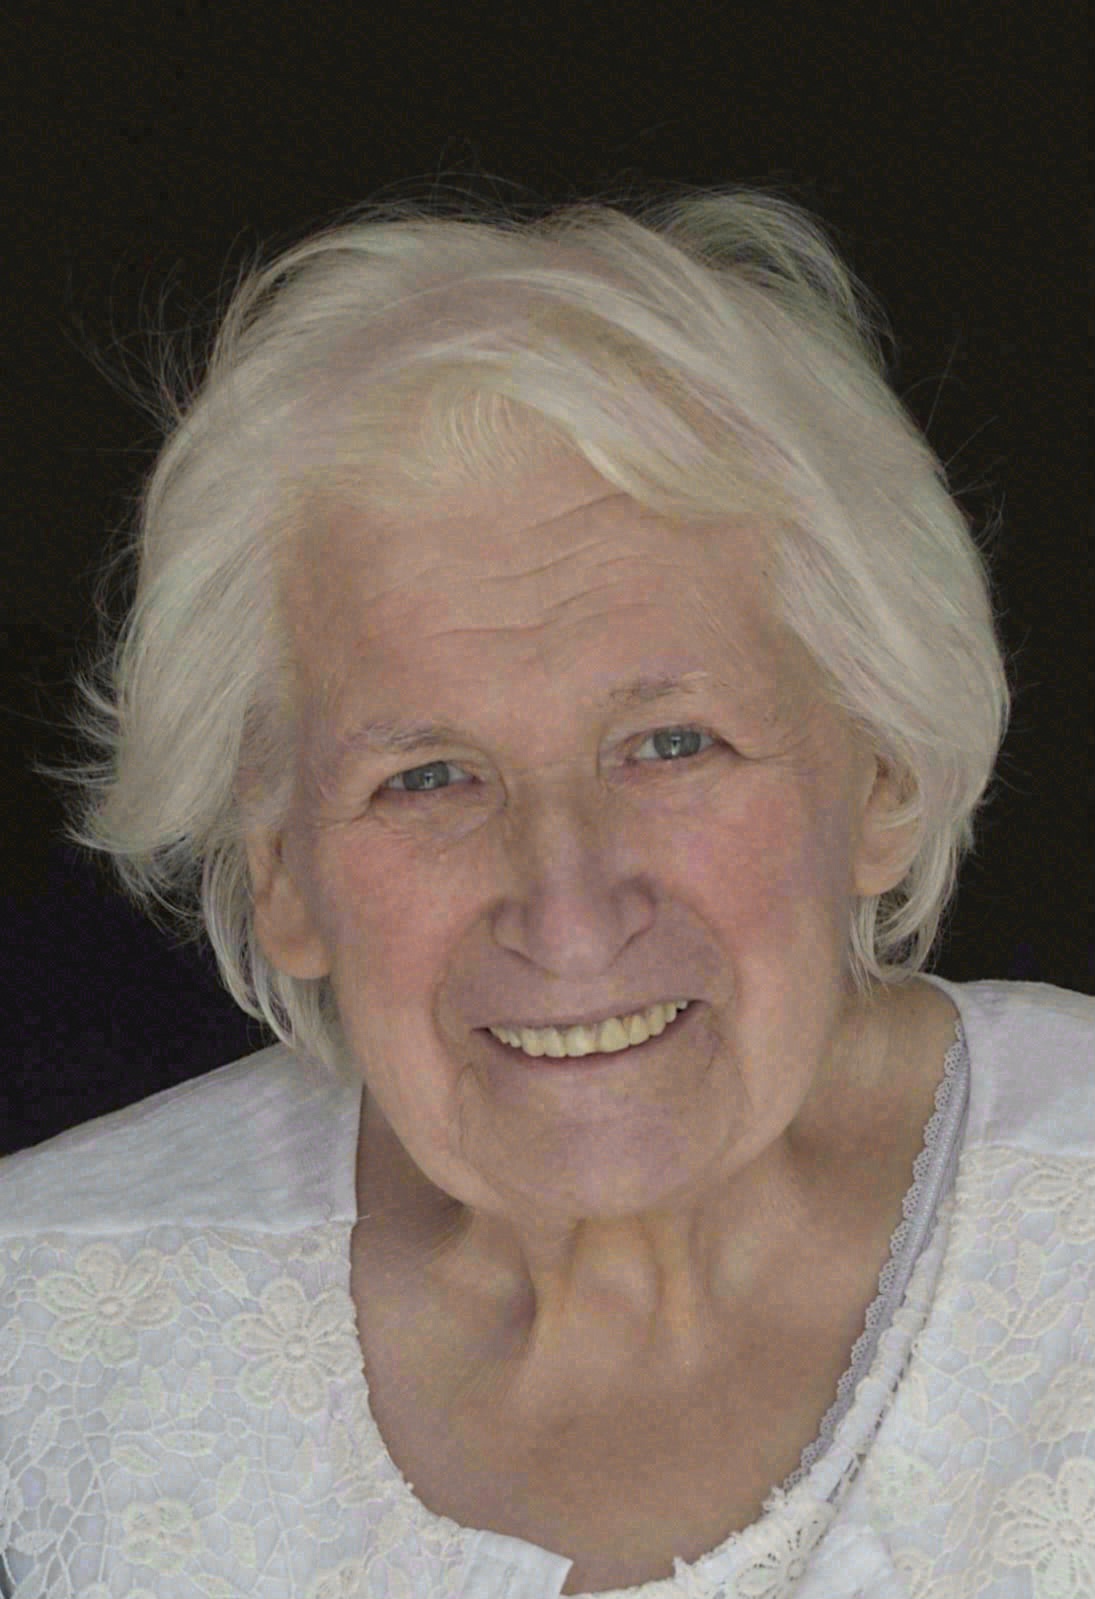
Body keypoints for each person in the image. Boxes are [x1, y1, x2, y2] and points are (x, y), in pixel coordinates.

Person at [1, 185, 1092, 1599]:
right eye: (427, 778)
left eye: (673, 745)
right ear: (281, 872)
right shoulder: (52, 1327)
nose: (568, 910)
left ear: (883, 779)